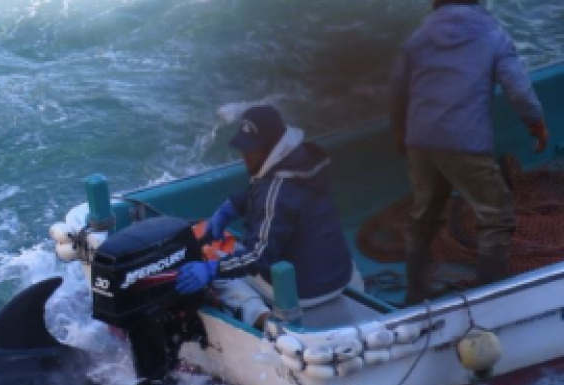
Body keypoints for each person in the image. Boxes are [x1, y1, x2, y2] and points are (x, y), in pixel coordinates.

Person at [390, 0, 549, 304]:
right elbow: (518, 90)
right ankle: (493, 297)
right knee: (496, 217)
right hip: (466, 144)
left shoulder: (418, 38)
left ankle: (416, 292)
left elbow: (397, 91)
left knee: (424, 214)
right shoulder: (492, 34)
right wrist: (537, 124)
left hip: (420, 142)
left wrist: (401, 134)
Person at [176, 105, 359, 327]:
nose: (246, 156)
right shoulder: (304, 161)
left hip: (305, 292)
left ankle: (262, 319)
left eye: (253, 149)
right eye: (244, 148)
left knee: (221, 266)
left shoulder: (277, 191)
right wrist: (233, 206)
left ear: (272, 146)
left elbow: (258, 256)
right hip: (341, 276)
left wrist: (212, 268)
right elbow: (275, 198)